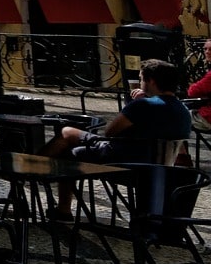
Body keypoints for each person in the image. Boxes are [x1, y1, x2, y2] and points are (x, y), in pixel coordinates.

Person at [46, 59, 193, 217]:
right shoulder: (183, 110)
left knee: (67, 136)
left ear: (150, 81)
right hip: (159, 169)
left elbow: (110, 131)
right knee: (69, 135)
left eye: (141, 79)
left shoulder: (143, 106)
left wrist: (138, 102)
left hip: (123, 163)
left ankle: (43, 184)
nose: (140, 83)